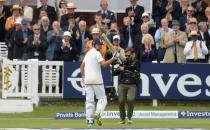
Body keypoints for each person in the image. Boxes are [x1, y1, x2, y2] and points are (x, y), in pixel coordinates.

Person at [80, 38, 118, 127]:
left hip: (87, 80)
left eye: (101, 45)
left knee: (89, 100)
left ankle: (89, 120)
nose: (100, 46)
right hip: (97, 79)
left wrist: (83, 78)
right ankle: (98, 113)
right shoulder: (97, 53)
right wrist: (113, 58)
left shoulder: (88, 53)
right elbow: (104, 65)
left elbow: (81, 66)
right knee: (102, 98)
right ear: (94, 45)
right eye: (98, 45)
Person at [113, 47, 140, 124]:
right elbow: (115, 73)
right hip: (122, 83)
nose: (127, 57)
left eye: (128, 55)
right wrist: (116, 68)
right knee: (120, 101)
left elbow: (133, 68)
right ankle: (122, 118)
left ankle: (129, 117)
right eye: (126, 56)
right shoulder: (124, 62)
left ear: (133, 54)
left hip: (132, 84)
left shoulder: (136, 62)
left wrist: (123, 68)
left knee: (130, 100)